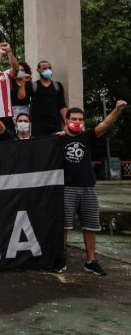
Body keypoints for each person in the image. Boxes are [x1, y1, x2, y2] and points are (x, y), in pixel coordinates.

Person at [54, 100, 127, 276]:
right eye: (73, 118)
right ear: (67, 120)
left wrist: (117, 110)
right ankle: (60, 259)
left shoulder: (87, 136)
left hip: (88, 187)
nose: (77, 121)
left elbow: (105, 125)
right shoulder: (58, 140)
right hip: (67, 188)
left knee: (91, 226)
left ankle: (91, 261)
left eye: (80, 119)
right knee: (63, 226)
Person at [17, 60, 67, 136]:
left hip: (55, 124)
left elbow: (62, 106)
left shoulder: (57, 86)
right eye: (44, 68)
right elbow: (21, 97)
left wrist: (66, 123)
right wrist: (23, 82)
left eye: (49, 68)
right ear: (38, 70)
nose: (48, 70)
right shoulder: (33, 85)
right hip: (38, 125)